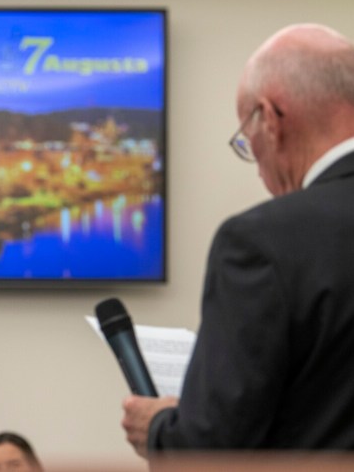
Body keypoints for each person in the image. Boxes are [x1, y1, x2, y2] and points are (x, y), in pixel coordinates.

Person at [121, 23, 354, 456]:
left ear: (270, 119)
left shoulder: (261, 243)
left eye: (246, 139)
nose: (260, 172)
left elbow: (209, 449)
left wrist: (158, 428)